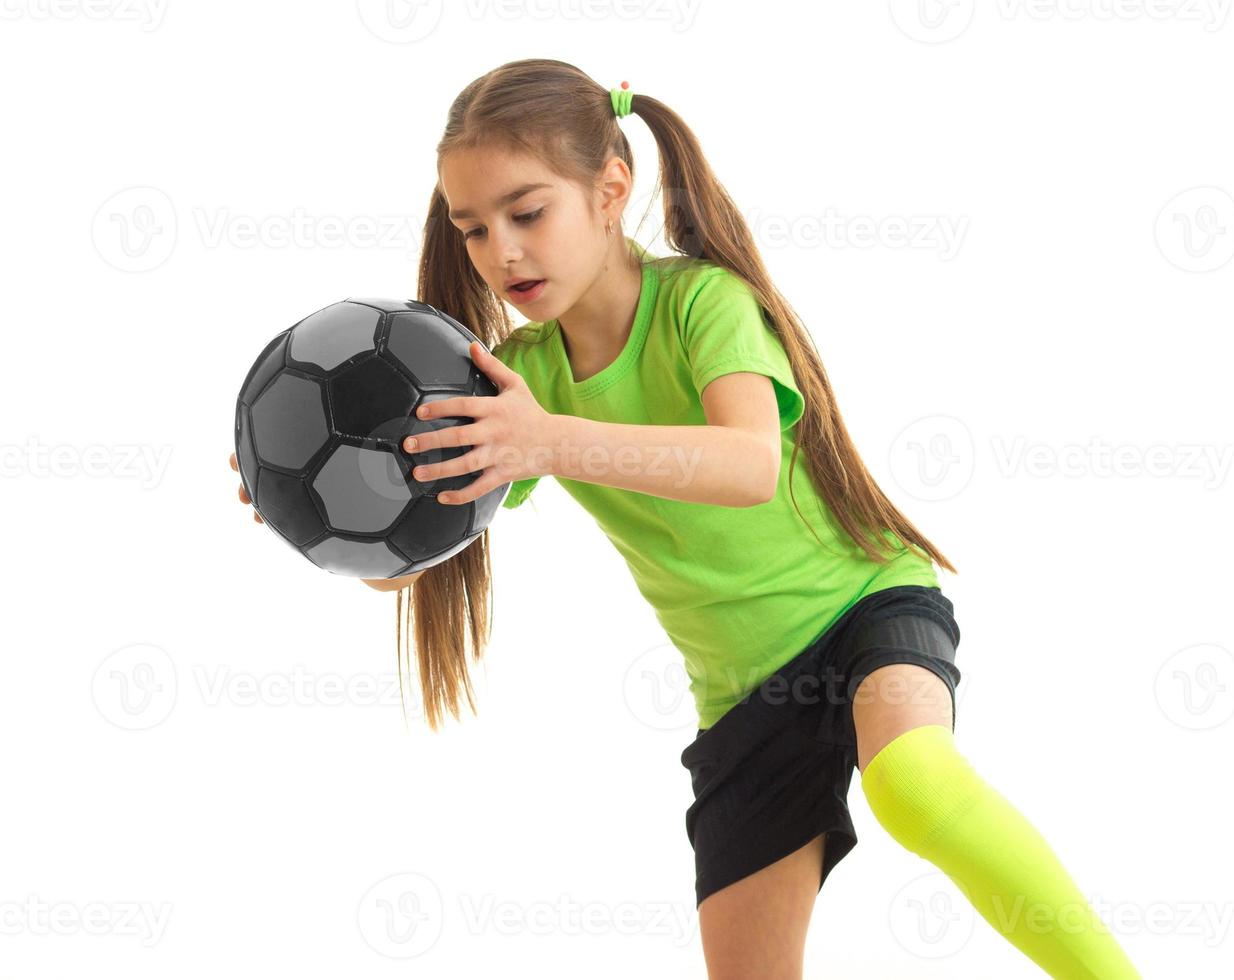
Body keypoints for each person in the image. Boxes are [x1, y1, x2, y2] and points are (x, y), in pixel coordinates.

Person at [230, 58, 1142, 980]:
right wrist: (317, 509)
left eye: (527, 212)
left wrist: (546, 442)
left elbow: (747, 464)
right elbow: (410, 557)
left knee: (913, 783)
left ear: (610, 190)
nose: (500, 252)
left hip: (865, 606)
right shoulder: (522, 378)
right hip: (745, 694)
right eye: (473, 230)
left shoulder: (704, 303)